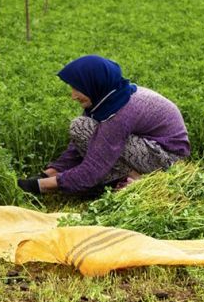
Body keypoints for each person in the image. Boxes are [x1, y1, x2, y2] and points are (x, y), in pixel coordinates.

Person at [17, 55, 190, 196]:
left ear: (93, 84)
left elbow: (93, 168)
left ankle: (137, 178)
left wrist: (39, 186)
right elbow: (79, 145)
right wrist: (51, 172)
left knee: (82, 129)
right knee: (83, 127)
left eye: (77, 89)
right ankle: (128, 177)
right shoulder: (108, 97)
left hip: (167, 158)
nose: (73, 96)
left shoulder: (121, 112)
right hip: (147, 147)